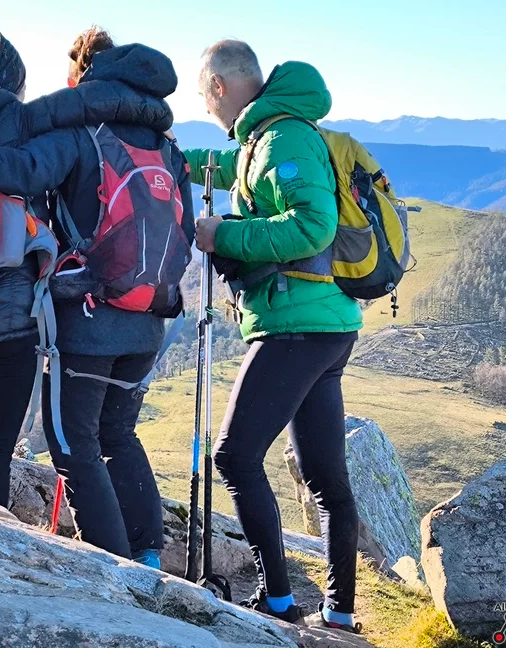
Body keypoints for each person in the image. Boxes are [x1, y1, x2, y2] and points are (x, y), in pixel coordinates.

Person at [0, 28, 194, 567]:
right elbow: (179, 234)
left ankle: (117, 576)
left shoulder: (83, 135)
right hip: (149, 318)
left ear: (85, 80)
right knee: (118, 435)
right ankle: (149, 559)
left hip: (88, 318)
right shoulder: (166, 147)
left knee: (73, 446)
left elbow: (20, 172)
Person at [183, 40, 363, 633]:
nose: (206, 107)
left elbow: (313, 226)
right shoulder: (266, 137)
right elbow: (229, 167)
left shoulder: (283, 138)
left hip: (297, 326)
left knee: (234, 457)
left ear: (218, 86)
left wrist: (223, 236)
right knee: (325, 477)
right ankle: (338, 614)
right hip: (324, 325)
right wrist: (166, 156)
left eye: (203, 94)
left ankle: (278, 601)